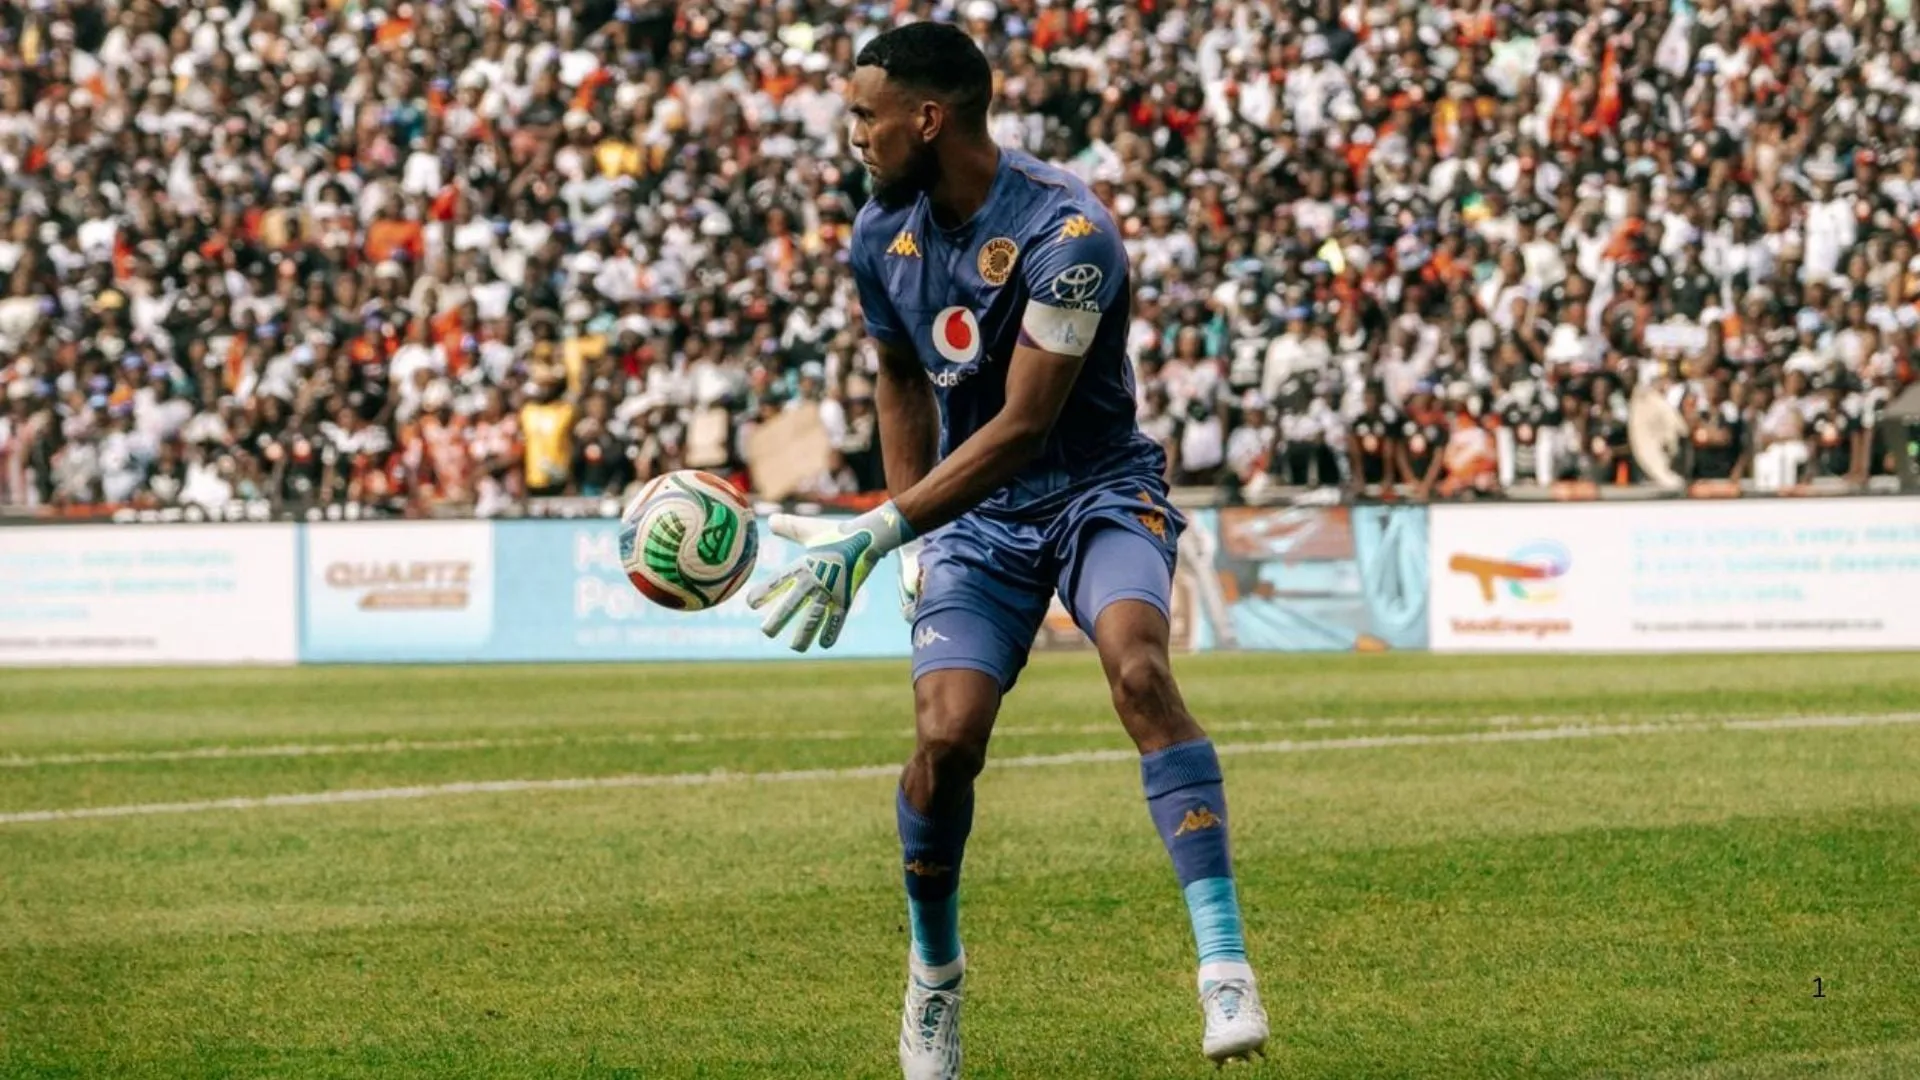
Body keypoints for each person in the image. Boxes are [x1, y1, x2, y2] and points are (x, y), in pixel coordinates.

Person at [745, 22, 1266, 1078]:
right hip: (975, 522)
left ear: (926, 119)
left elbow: (1025, 424)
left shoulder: (1068, 234)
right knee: (946, 742)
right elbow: (898, 377)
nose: (851, 134)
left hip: (1097, 490)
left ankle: (1224, 966)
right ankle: (934, 979)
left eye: (864, 114)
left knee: (1139, 668)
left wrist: (881, 526)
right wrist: (907, 533)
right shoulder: (879, 231)